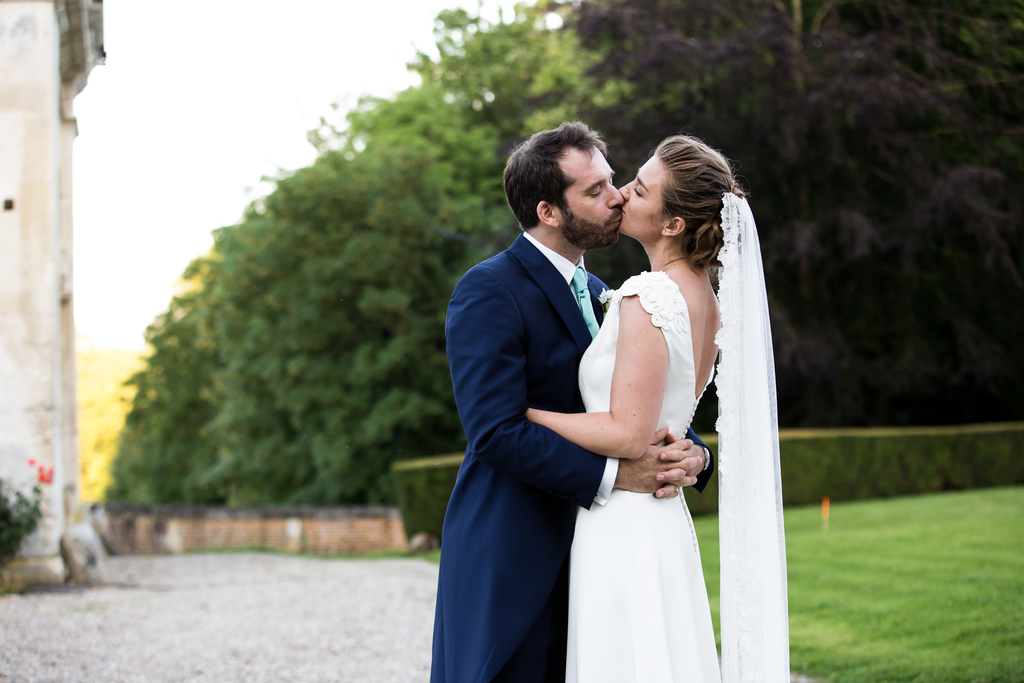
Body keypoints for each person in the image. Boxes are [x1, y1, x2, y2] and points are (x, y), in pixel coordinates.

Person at [431, 122, 716, 683]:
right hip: (517, 555)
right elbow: (494, 434)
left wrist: (693, 453)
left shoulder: (613, 291)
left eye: (614, 181)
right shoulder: (489, 291)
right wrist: (614, 476)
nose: (617, 197)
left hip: (603, 557)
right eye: (595, 191)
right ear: (549, 212)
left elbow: (635, 404)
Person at [526, 134, 790, 683]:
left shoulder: (648, 295)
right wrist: (692, 452)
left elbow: (627, 433)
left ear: (671, 225)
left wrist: (527, 414)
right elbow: (669, 418)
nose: (621, 194)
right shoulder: (709, 302)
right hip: (664, 517)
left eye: (639, 189)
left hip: (623, 521)